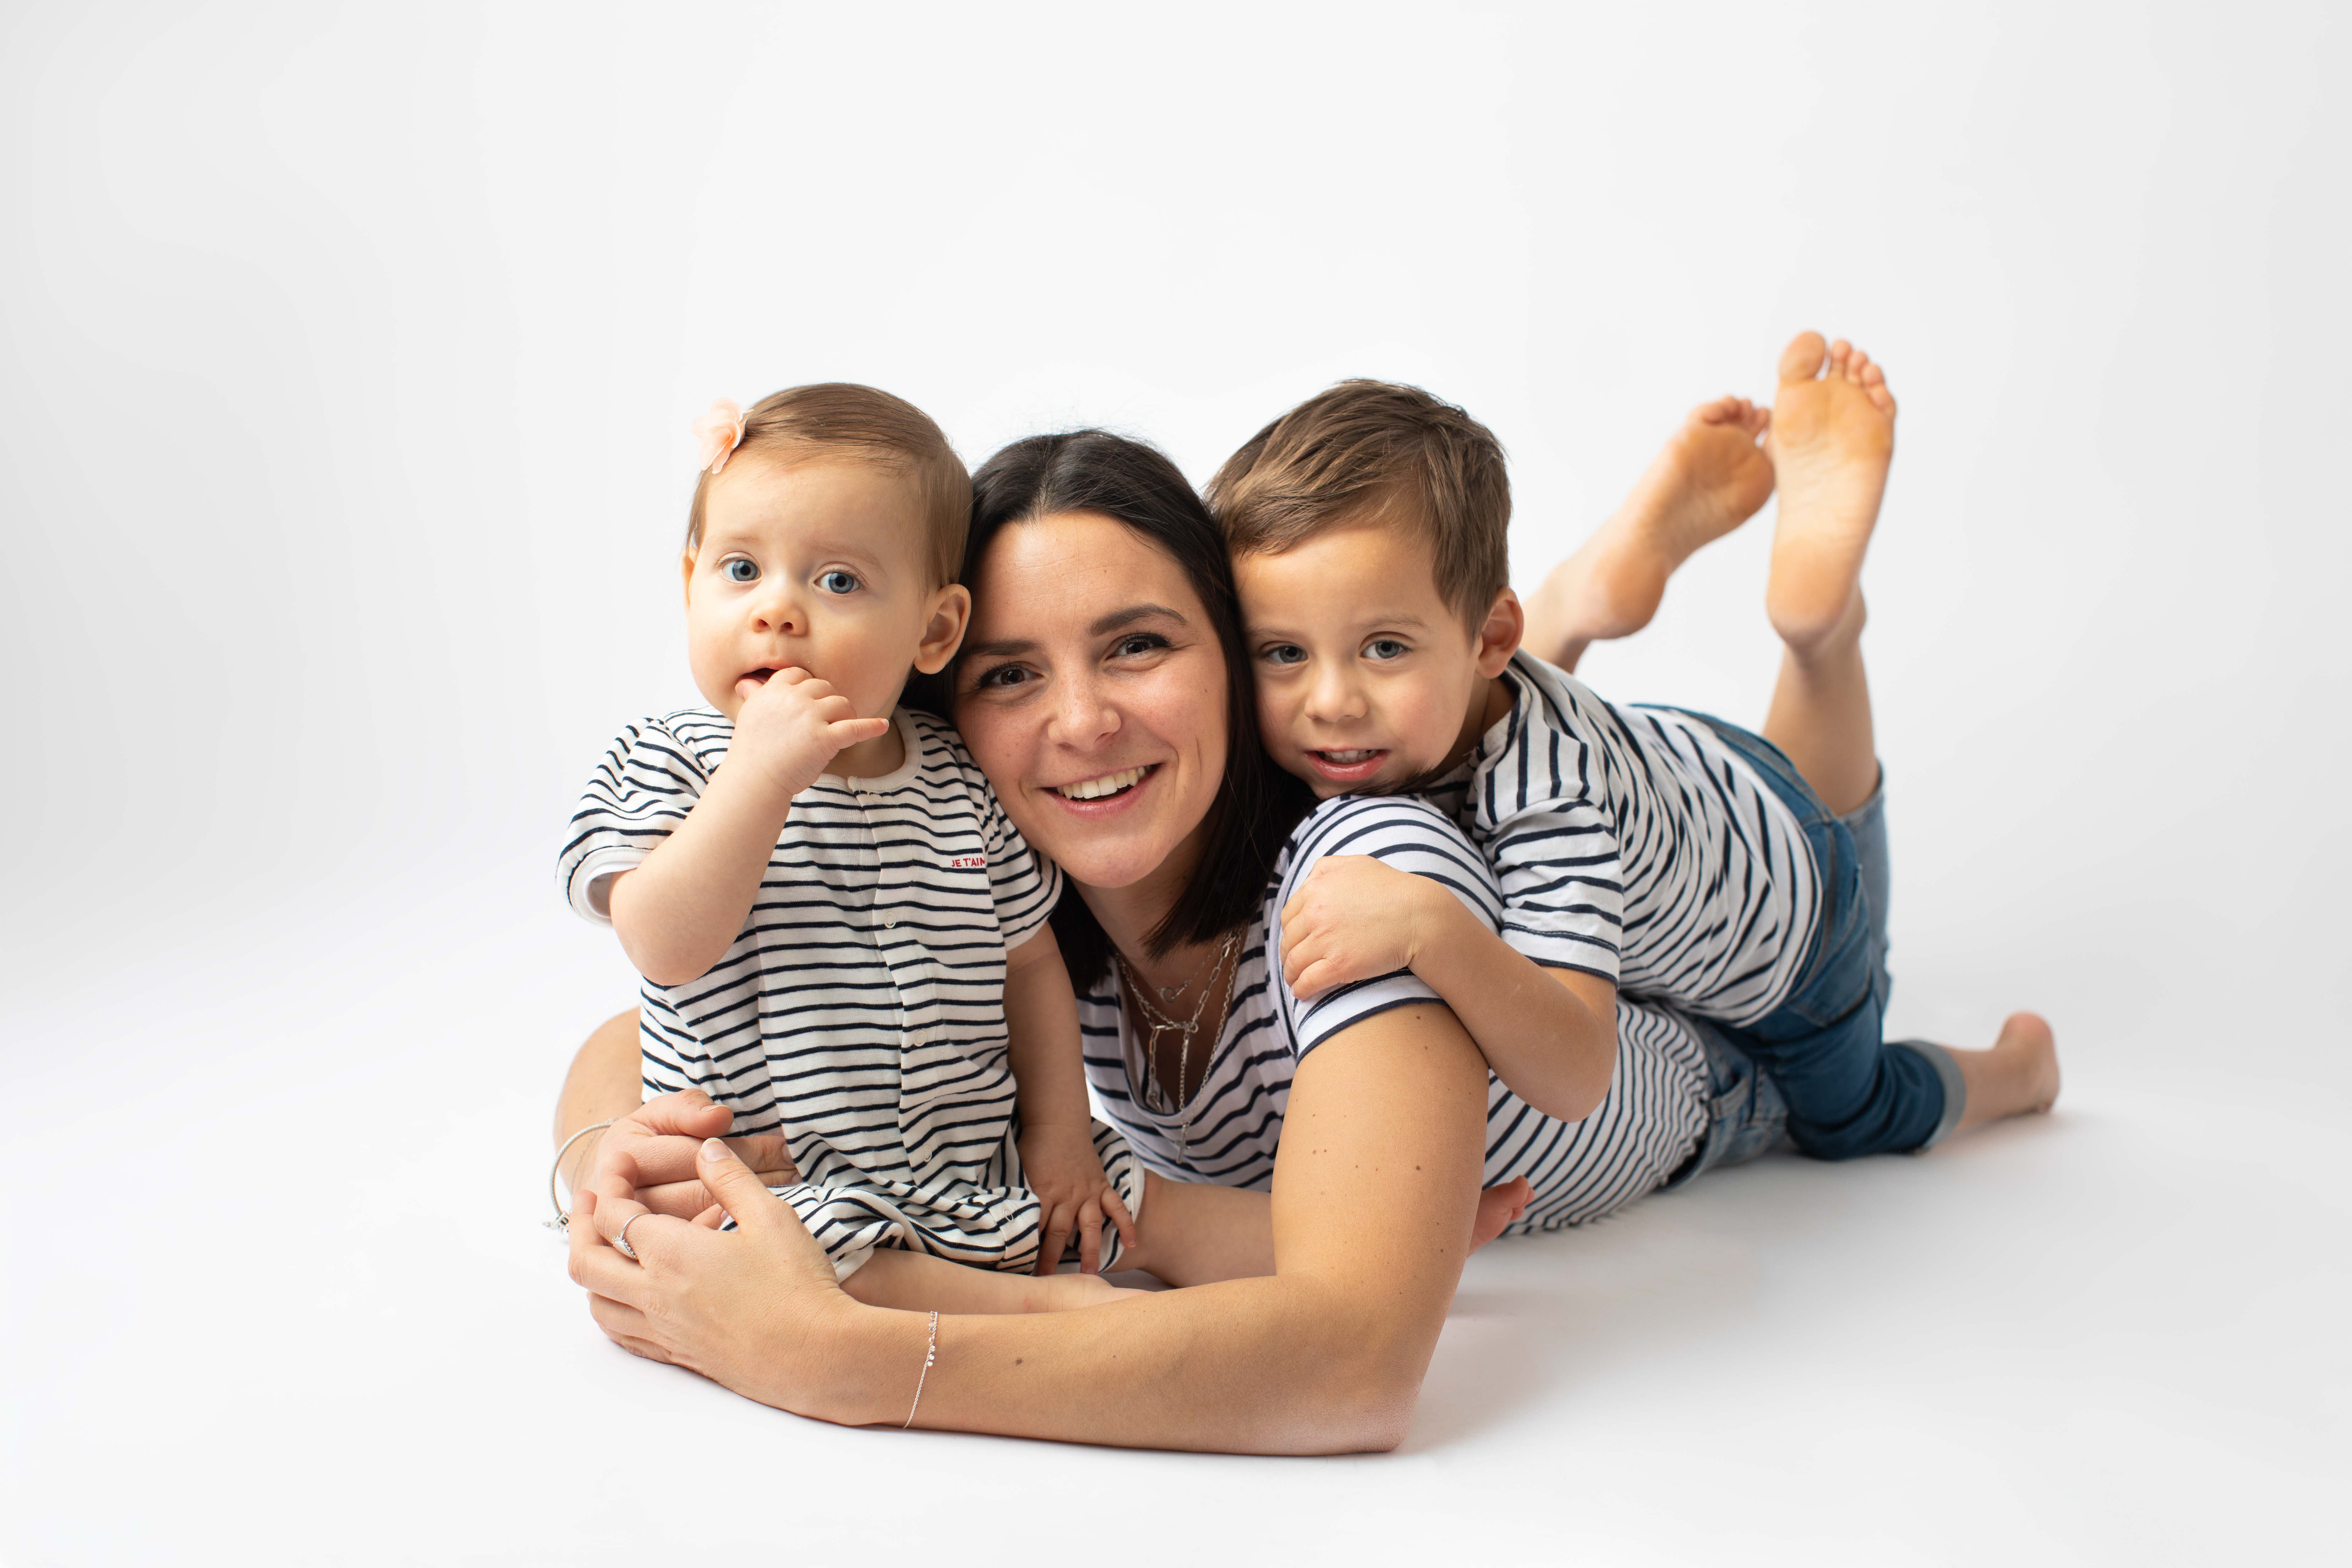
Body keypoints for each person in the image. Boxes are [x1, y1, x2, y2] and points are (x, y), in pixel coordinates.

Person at [552, 340, 2056, 1451]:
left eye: (1138, 644)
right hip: (1545, 950)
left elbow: (1350, 1365)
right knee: (1478, 721)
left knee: (1832, 1045)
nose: (1075, 723)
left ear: (1231, 650)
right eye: (1013, 673)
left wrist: (851, 1357)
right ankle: (1585, 615)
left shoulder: (1368, 870)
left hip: (1687, 1087)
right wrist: (612, 1162)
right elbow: (664, 1004)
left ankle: (1796, 642)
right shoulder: (993, 856)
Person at [1210, 335, 2059, 1159]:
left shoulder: (1546, 804)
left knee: (1850, 1110)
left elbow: (1579, 1074)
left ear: (1490, 638)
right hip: (1678, 772)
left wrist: (1433, 931)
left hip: (1797, 915)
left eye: (1383, 648)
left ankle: (2019, 1068)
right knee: (1486, 718)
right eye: (1281, 652)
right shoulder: (1428, 713)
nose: (1328, 703)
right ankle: (1577, 598)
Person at [557, 382, 1139, 1279]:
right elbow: (664, 945)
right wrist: (758, 777)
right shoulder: (672, 759)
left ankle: (1359, 1261)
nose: (776, 610)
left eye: (837, 581)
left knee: (1125, 1195)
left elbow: (1028, 963)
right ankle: (1025, 1322)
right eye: (742, 569)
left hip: (970, 1165)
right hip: (774, 1182)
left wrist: (1059, 1134)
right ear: (690, 584)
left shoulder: (957, 773)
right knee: (804, 1260)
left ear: (935, 630)